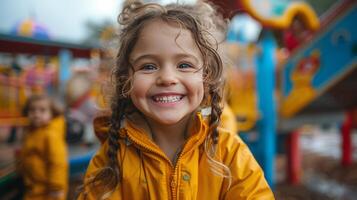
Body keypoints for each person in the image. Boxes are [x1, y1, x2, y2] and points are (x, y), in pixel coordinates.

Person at [78, 1, 274, 199]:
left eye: (184, 65)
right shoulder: (111, 160)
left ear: (207, 77)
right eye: (148, 66)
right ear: (125, 79)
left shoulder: (229, 153)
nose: (167, 78)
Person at [18, 94, 68, 200]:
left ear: (52, 113)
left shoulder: (50, 135)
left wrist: (56, 187)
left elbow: (58, 162)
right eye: (32, 110)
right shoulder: (31, 132)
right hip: (34, 187)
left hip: (49, 190)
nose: (36, 114)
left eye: (42, 110)